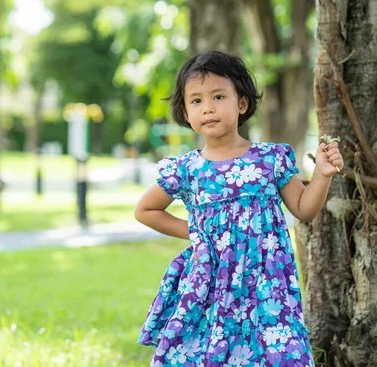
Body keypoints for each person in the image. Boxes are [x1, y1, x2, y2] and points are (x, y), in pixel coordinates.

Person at [134, 50, 343, 366]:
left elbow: (304, 209)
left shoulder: (269, 159)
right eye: (196, 101)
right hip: (211, 282)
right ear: (185, 112)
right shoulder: (186, 169)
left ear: (241, 104)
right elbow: (145, 210)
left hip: (266, 284)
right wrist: (197, 234)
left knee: (276, 352)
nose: (208, 108)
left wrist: (323, 175)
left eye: (218, 96)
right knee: (208, 351)